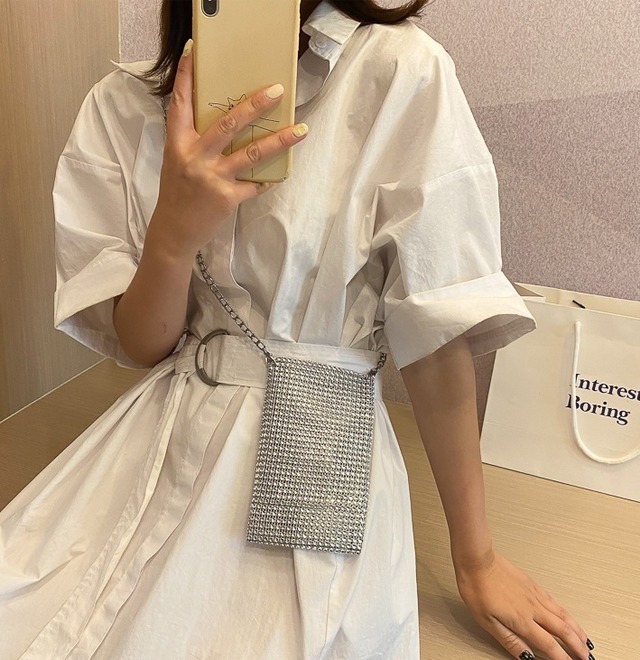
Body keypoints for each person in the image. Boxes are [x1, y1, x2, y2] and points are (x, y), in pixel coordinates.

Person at [0, 1, 595, 658]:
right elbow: (145, 346)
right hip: (161, 429)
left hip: (326, 444)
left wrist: (476, 559)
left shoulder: (399, 70)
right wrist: (171, 236)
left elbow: (436, 329)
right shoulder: (122, 104)